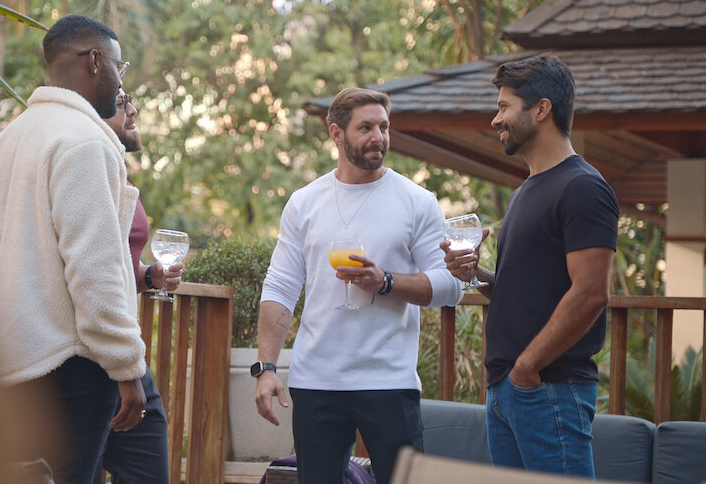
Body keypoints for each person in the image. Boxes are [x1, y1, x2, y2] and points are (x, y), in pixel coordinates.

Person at [0, 15, 146, 484]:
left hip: (12, 362)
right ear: (95, 61)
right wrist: (127, 367)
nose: (119, 79)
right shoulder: (85, 141)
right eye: (119, 66)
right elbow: (95, 268)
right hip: (74, 366)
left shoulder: (6, 142)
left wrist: (25, 309)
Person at [254, 87, 463, 484]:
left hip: (389, 381)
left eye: (384, 127)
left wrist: (385, 282)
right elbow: (280, 286)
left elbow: (451, 285)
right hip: (316, 382)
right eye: (366, 128)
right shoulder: (304, 202)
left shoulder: (416, 201)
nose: (378, 137)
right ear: (336, 134)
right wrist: (266, 368)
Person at [441, 55, 618, 477]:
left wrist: (527, 368)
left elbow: (591, 292)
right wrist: (478, 275)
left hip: (548, 388)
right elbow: (525, 290)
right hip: (509, 391)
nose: (495, 119)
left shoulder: (583, 187)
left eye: (504, 106)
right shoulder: (526, 192)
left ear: (541, 109)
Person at [98, 89, 182, 484]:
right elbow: (90, 270)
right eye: (121, 103)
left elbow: (114, 261)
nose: (133, 110)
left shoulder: (117, 172)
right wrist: (124, 369)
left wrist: (149, 276)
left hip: (123, 349)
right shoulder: (87, 165)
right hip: (96, 349)